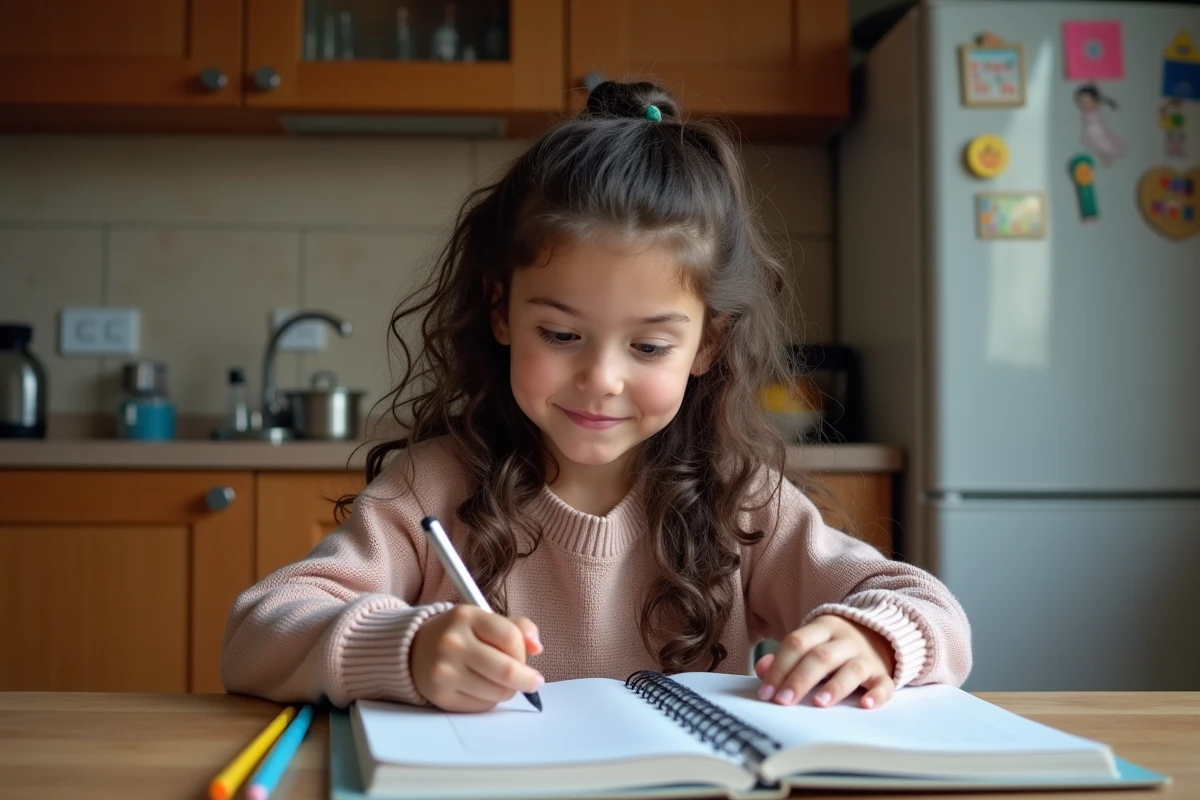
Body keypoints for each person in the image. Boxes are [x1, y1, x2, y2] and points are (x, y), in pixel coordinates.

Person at [221, 81, 972, 714]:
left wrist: (872, 638)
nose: (602, 379)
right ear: (500, 310)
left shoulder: (745, 502)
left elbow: (931, 610)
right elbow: (258, 631)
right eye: (561, 334)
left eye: (648, 346)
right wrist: (407, 649)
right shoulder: (432, 486)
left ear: (708, 345)